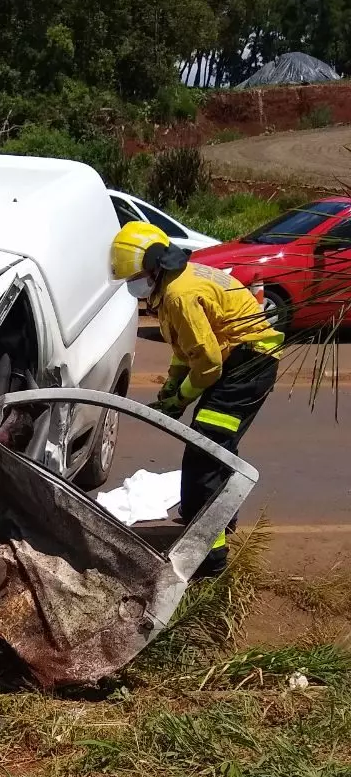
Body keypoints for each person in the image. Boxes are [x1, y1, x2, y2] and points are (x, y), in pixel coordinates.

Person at [110, 221, 284, 576]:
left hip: (248, 365)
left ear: (155, 265)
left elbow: (207, 364)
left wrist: (181, 400)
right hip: (242, 360)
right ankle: (219, 519)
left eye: (135, 277)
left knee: (205, 455)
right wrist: (172, 384)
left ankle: (211, 559)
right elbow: (187, 348)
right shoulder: (177, 284)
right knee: (218, 450)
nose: (134, 286)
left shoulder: (178, 295)